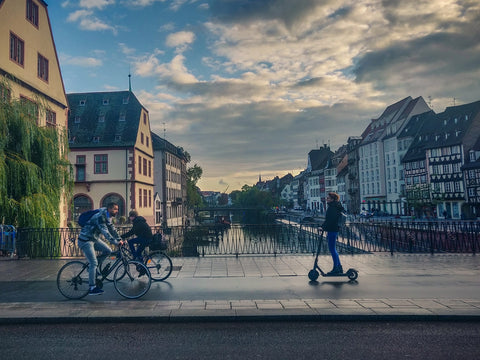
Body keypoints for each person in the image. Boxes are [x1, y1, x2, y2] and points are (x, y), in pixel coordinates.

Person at [77, 202, 122, 295]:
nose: (117, 211)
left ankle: (91, 267)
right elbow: (105, 232)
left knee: (108, 250)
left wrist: (119, 239)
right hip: (85, 240)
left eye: (117, 209)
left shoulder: (108, 216)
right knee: (94, 263)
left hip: (94, 238)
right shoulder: (100, 217)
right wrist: (115, 242)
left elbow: (112, 228)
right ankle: (92, 288)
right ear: (109, 209)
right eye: (115, 209)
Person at [320, 192, 345, 275]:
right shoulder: (335, 206)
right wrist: (324, 226)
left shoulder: (332, 207)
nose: (327, 199)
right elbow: (330, 220)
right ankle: (339, 267)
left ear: (333, 199)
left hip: (332, 230)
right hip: (334, 230)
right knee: (333, 249)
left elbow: (330, 220)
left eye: (328, 198)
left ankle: (336, 268)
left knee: (332, 249)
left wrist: (323, 227)